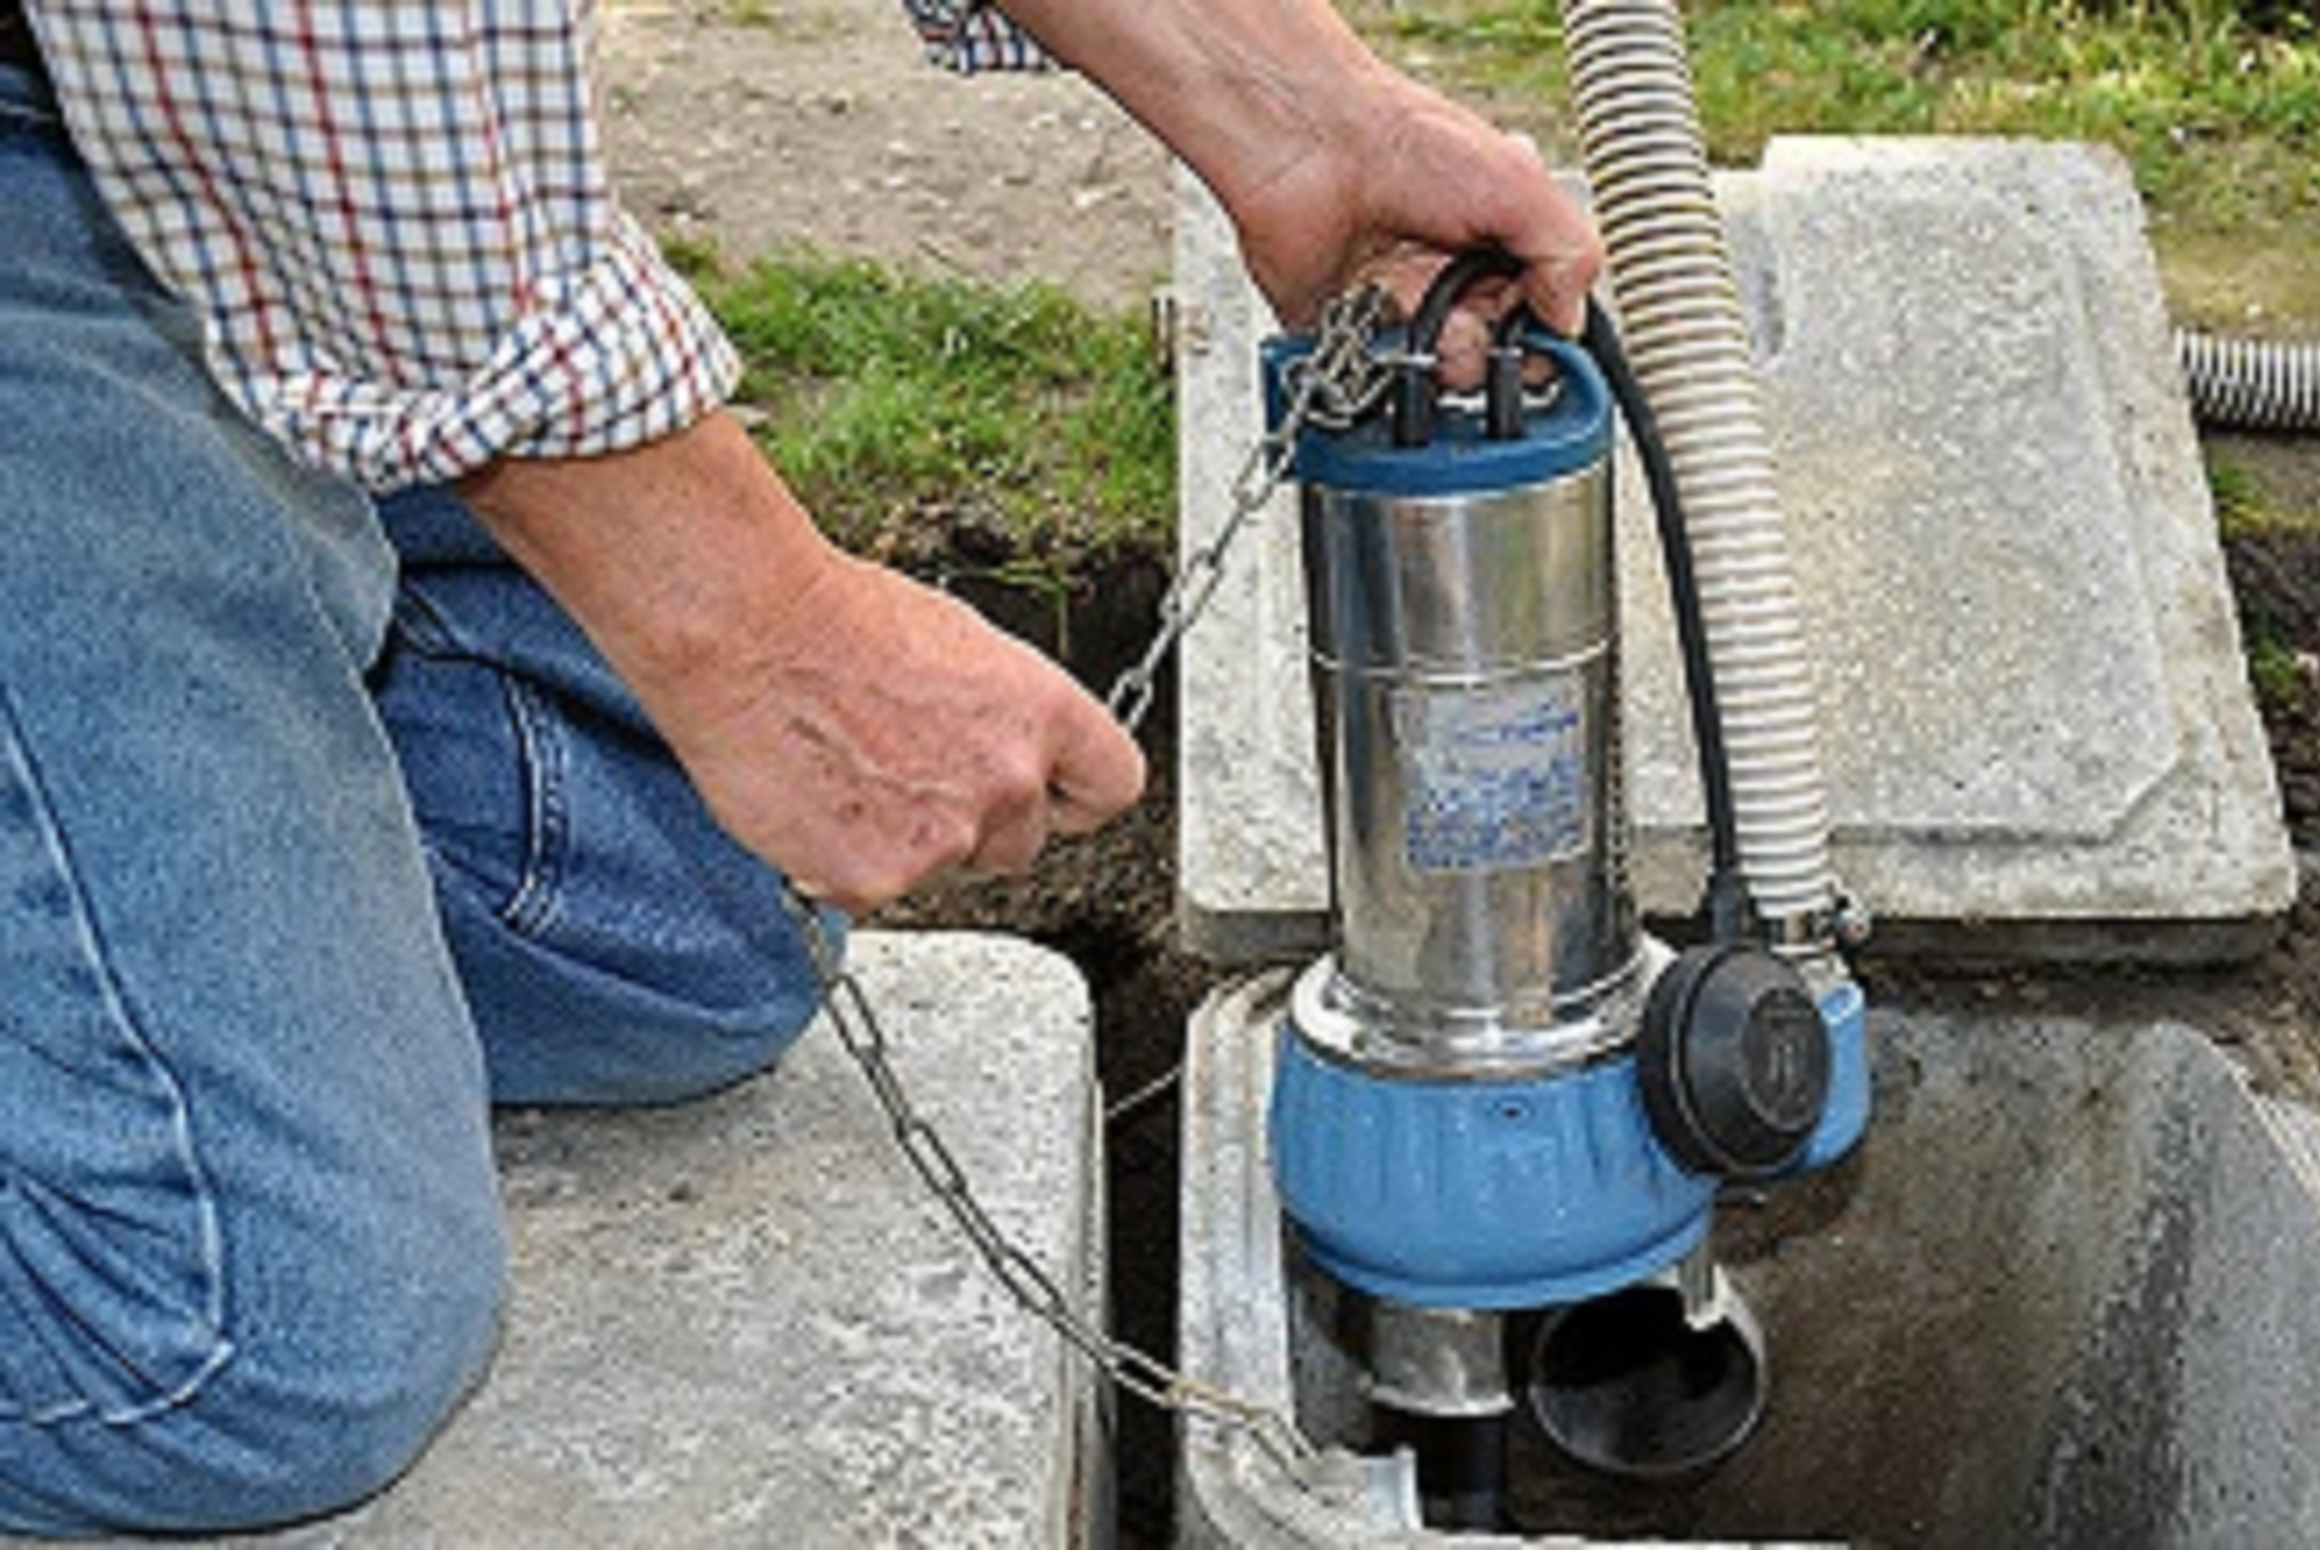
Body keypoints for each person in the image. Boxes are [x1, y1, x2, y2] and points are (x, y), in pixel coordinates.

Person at [0, 0, 1599, 1534]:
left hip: (168, 132)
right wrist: (753, 629)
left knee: (685, 935)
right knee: (242, 1336)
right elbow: (288, 39)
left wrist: (1299, 115)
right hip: (167, 104)